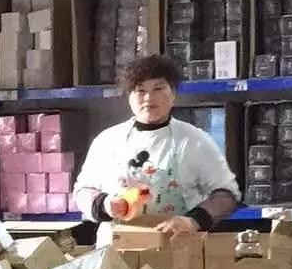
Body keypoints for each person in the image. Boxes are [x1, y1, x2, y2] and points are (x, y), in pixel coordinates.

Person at [73, 53, 240, 237]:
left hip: (176, 246)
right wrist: (104, 204)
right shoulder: (107, 140)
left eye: (158, 88)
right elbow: (82, 190)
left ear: (173, 94)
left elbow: (227, 195)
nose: (149, 97)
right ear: (129, 97)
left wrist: (192, 220)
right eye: (140, 90)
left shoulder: (195, 140)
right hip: (116, 247)